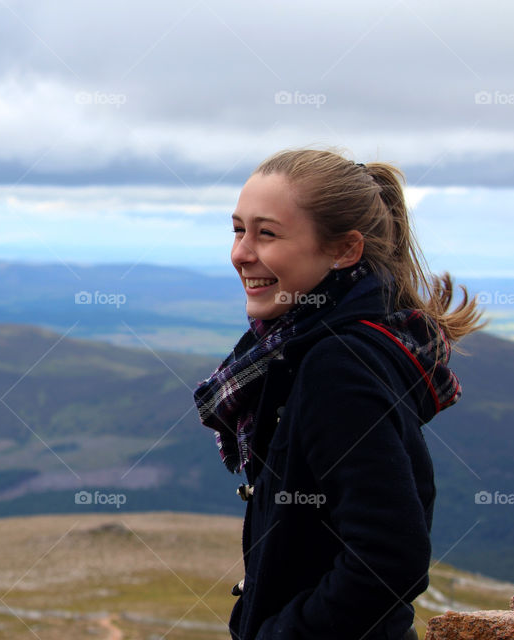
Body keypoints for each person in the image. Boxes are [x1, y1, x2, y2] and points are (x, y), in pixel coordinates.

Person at [193, 149, 486, 640]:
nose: (241, 253)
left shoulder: (339, 362)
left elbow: (391, 561)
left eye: (266, 233)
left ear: (345, 250)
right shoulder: (313, 346)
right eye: (238, 229)